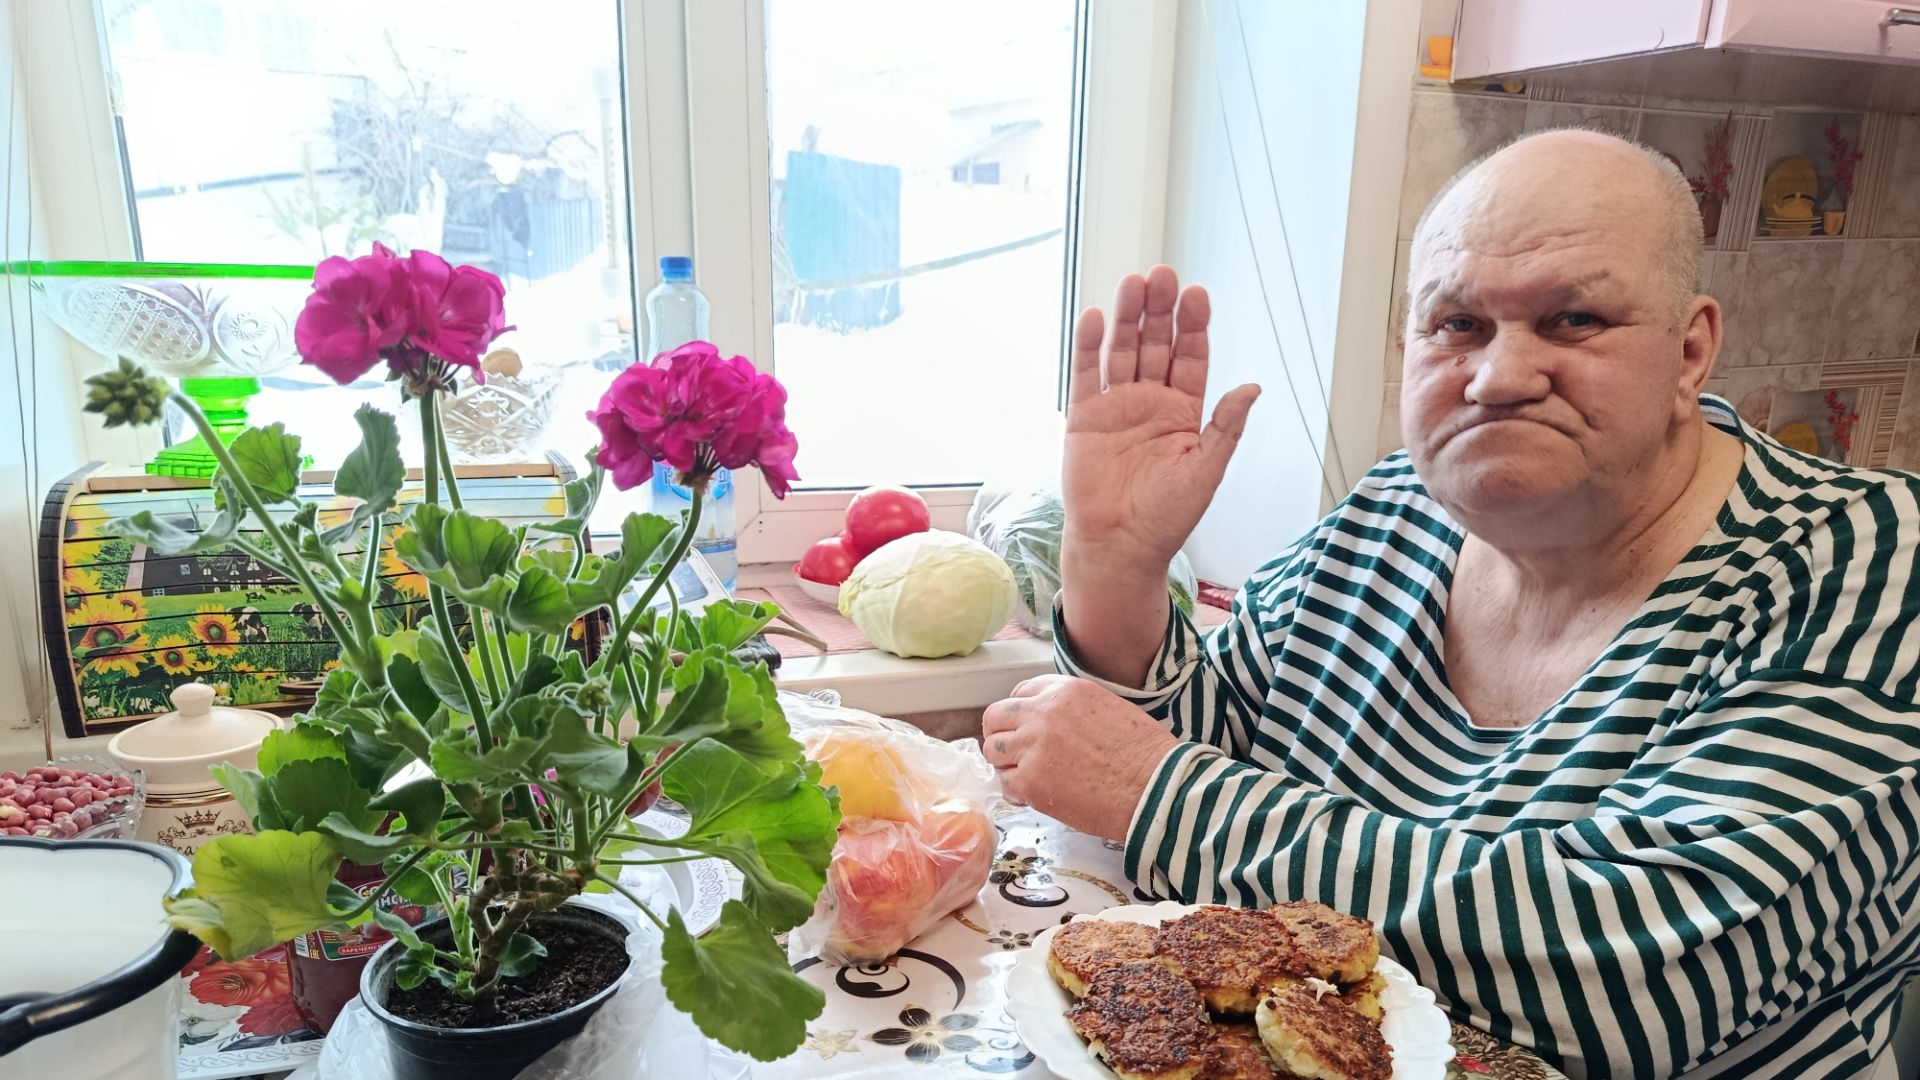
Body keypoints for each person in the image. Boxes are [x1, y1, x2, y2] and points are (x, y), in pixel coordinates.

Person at [982, 129, 1920, 1078]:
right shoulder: (1397, 507)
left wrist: (1161, 795)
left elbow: (1640, 979)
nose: (1499, 378)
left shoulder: (1866, 561)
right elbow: (1189, 757)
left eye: (1575, 319)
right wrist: (1115, 564)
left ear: (1690, 351)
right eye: (1458, 324)